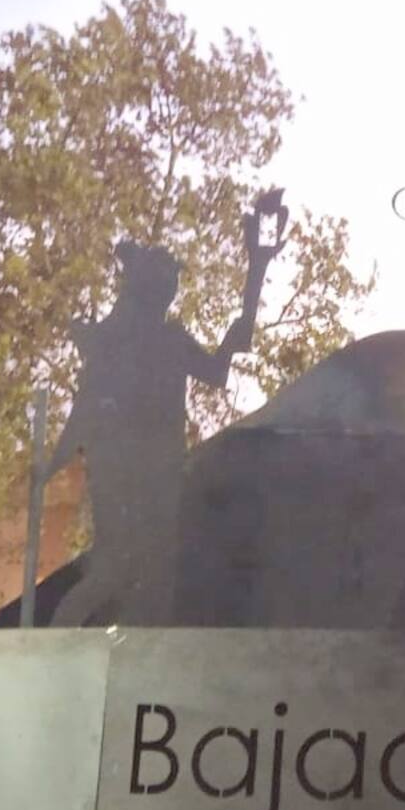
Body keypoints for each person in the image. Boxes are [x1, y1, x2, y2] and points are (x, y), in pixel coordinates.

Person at [47, 210, 281, 626]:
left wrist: (257, 268)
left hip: (158, 469)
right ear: (148, 291)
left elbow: (218, 369)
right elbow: (85, 410)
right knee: (121, 567)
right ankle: (64, 640)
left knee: (154, 574)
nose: (170, 294)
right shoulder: (119, 342)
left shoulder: (164, 339)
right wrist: (51, 465)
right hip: (127, 472)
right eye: (167, 286)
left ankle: (129, 645)